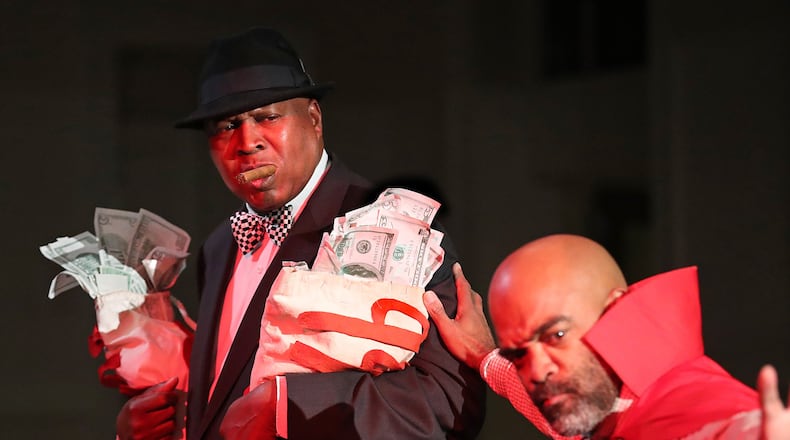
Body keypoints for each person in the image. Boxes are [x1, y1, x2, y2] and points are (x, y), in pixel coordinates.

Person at [115, 26, 486, 440]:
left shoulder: (398, 227)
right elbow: (229, 393)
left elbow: (451, 402)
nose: (246, 141)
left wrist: (287, 408)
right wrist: (166, 420)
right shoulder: (220, 246)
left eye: (267, 117)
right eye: (225, 127)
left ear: (313, 118)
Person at [423, 234, 790, 439]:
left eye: (557, 335)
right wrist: (484, 356)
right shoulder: (604, 399)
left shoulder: (689, 402)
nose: (535, 371)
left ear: (614, 310)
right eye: (519, 353)